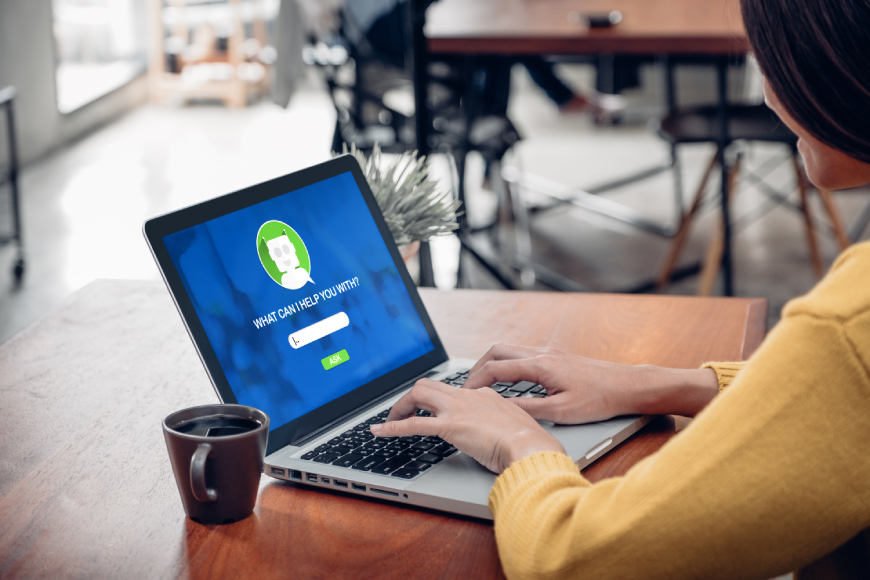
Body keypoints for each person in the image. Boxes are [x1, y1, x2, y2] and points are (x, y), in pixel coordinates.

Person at [369, 0, 870, 577]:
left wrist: (518, 443)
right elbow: (826, 398)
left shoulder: (850, 325)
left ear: (837, 61)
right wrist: (655, 385)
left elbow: (577, 558)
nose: (765, 94)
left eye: (770, 61)